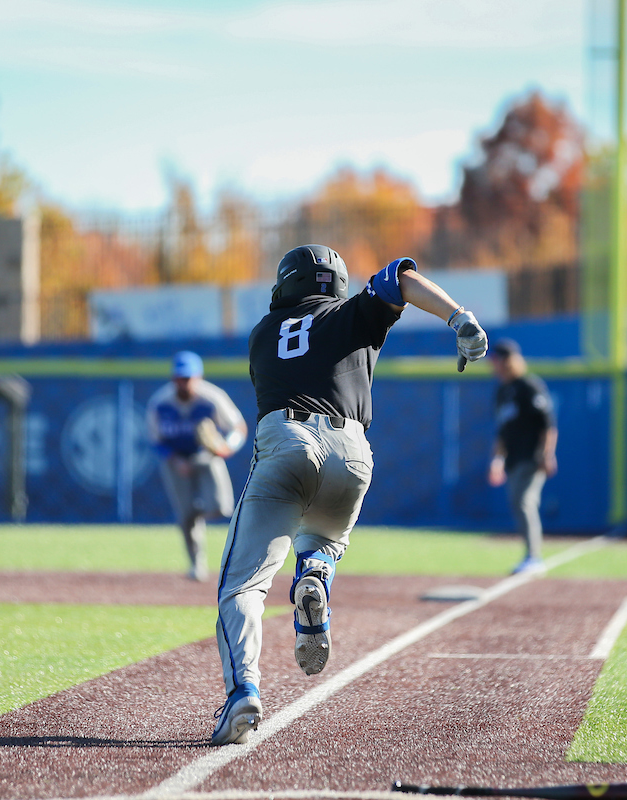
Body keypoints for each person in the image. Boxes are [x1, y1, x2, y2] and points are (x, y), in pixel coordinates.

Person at [210, 244, 489, 746]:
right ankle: (315, 574)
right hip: (352, 449)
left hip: (287, 439)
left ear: (287, 285)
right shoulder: (352, 311)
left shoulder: (262, 334)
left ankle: (243, 691)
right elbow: (403, 276)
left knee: (243, 586)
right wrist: (459, 318)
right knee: (324, 536)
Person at [147, 351, 247, 581]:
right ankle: (196, 564)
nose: (185, 382)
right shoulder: (160, 402)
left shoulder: (211, 397)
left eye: (189, 378)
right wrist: (175, 459)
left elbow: (238, 427)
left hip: (206, 456)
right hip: (176, 460)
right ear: (174, 379)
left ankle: (196, 514)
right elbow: (156, 440)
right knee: (185, 517)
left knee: (222, 507)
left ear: (198, 377)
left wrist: (226, 447)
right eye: (180, 378)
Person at [486, 338, 557, 574]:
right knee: (518, 502)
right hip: (513, 459)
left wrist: (548, 455)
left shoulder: (529, 386)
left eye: (497, 360)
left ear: (509, 361)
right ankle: (531, 555)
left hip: (531, 457)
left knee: (524, 501)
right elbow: (502, 432)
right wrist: (496, 460)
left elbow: (548, 425)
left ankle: (534, 557)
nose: (493, 365)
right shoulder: (502, 392)